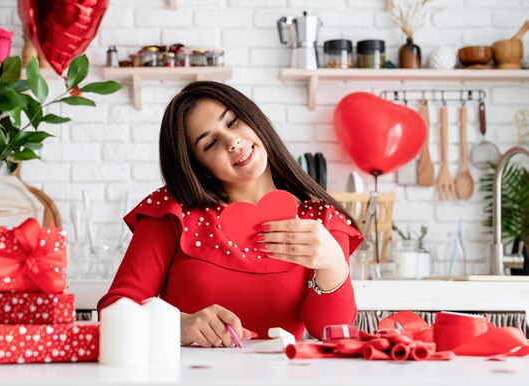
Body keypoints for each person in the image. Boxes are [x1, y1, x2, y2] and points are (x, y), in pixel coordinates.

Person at [97, 81, 363, 348]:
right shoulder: (172, 211)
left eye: (233, 122)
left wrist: (333, 264)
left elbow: (330, 332)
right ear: (199, 167)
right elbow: (115, 310)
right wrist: (178, 325)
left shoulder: (322, 221)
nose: (232, 142)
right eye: (211, 143)